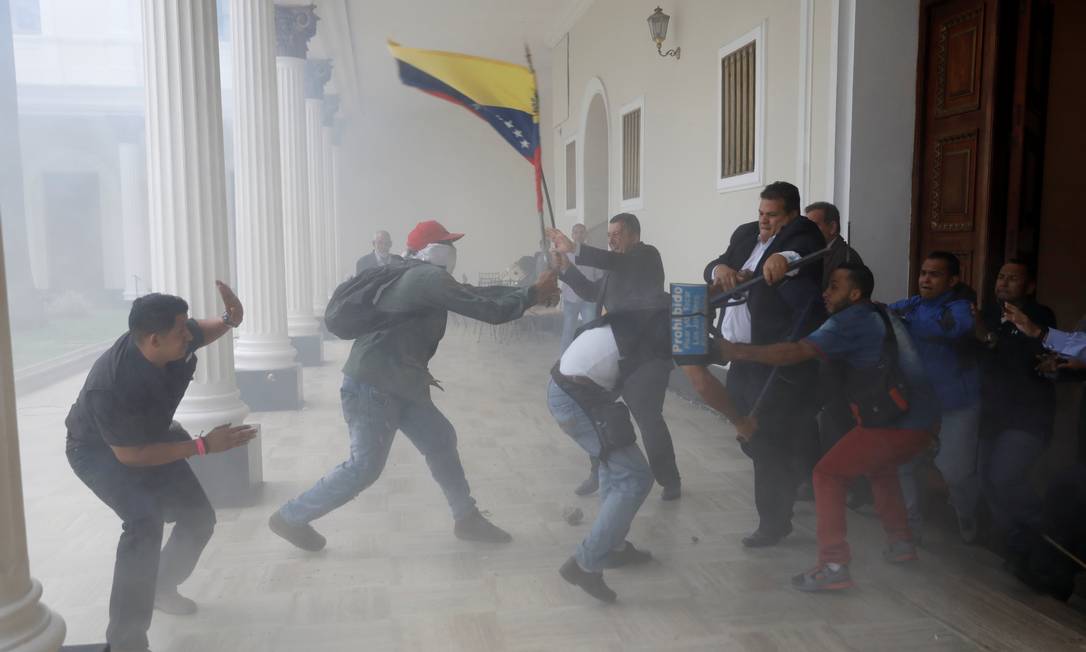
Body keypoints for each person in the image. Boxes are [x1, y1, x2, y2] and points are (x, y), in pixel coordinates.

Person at [269, 220, 560, 551]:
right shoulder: (426, 278)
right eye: (448, 244)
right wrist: (535, 292)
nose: (453, 251)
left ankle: (466, 517)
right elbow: (487, 309)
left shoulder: (413, 273)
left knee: (440, 438)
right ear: (432, 249)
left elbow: (474, 295)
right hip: (374, 385)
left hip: (400, 382)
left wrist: (532, 293)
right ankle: (290, 517)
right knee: (364, 468)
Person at [716, 263, 938, 592]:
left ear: (855, 293)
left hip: (896, 423)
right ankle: (901, 543)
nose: (826, 292)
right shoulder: (878, 312)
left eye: (834, 286)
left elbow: (796, 352)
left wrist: (736, 351)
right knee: (881, 468)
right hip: (917, 416)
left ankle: (834, 565)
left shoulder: (851, 321)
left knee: (827, 475)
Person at [65, 284, 258, 652]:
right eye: (181, 332)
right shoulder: (111, 386)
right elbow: (132, 456)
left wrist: (230, 319)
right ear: (154, 340)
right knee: (143, 523)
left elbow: (205, 328)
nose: (190, 335)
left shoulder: (173, 339)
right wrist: (202, 445)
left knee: (199, 517)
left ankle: (161, 585)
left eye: (186, 328)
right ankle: (126, 642)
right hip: (100, 451)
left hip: (151, 435)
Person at [700, 181, 825, 547]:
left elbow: (801, 251)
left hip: (774, 358)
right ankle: (803, 474)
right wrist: (721, 269)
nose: (764, 222)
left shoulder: (803, 232)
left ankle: (773, 521)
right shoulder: (745, 233)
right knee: (750, 429)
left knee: (765, 436)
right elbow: (713, 263)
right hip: (737, 355)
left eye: (773, 216)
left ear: (791, 215)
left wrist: (782, 258)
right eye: (761, 213)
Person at [548, 213, 682, 501]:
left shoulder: (645, 256)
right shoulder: (616, 265)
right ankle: (598, 473)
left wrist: (576, 248)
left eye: (616, 234)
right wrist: (567, 268)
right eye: (608, 234)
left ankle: (669, 480)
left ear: (633, 234)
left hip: (646, 357)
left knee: (649, 420)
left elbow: (618, 262)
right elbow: (591, 292)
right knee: (596, 416)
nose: (611, 239)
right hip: (613, 355)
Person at [889, 251, 981, 543]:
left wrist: (904, 324)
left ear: (952, 280)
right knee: (900, 461)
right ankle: (909, 527)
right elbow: (884, 315)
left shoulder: (960, 307)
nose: (925, 279)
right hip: (920, 402)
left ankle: (967, 516)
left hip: (957, 403)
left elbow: (956, 328)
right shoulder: (912, 305)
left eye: (934, 274)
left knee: (954, 471)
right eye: (923, 273)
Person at [974, 259, 1057, 558]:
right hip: (991, 412)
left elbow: (1032, 359)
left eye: (1013, 278)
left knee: (1005, 476)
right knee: (985, 478)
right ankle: (1012, 542)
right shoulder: (989, 314)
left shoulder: (1038, 317)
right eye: (1001, 276)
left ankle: (1043, 531)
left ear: (1030, 286)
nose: (1004, 283)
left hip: (1028, 414)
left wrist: (989, 338)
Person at [559, 223, 603, 353]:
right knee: (568, 331)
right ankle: (563, 362)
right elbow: (561, 273)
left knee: (589, 332)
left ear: (586, 235)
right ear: (572, 235)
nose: (579, 235)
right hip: (570, 299)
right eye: (576, 232)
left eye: (582, 232)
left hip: (589, 300)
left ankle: (588, 359)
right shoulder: (564, 254)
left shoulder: (592, 254)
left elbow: (599, 276)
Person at [804, 201, 863, 290]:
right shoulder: (813, 252)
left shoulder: (847, 257)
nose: (807, 231)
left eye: (813, 226)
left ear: (832, 227)